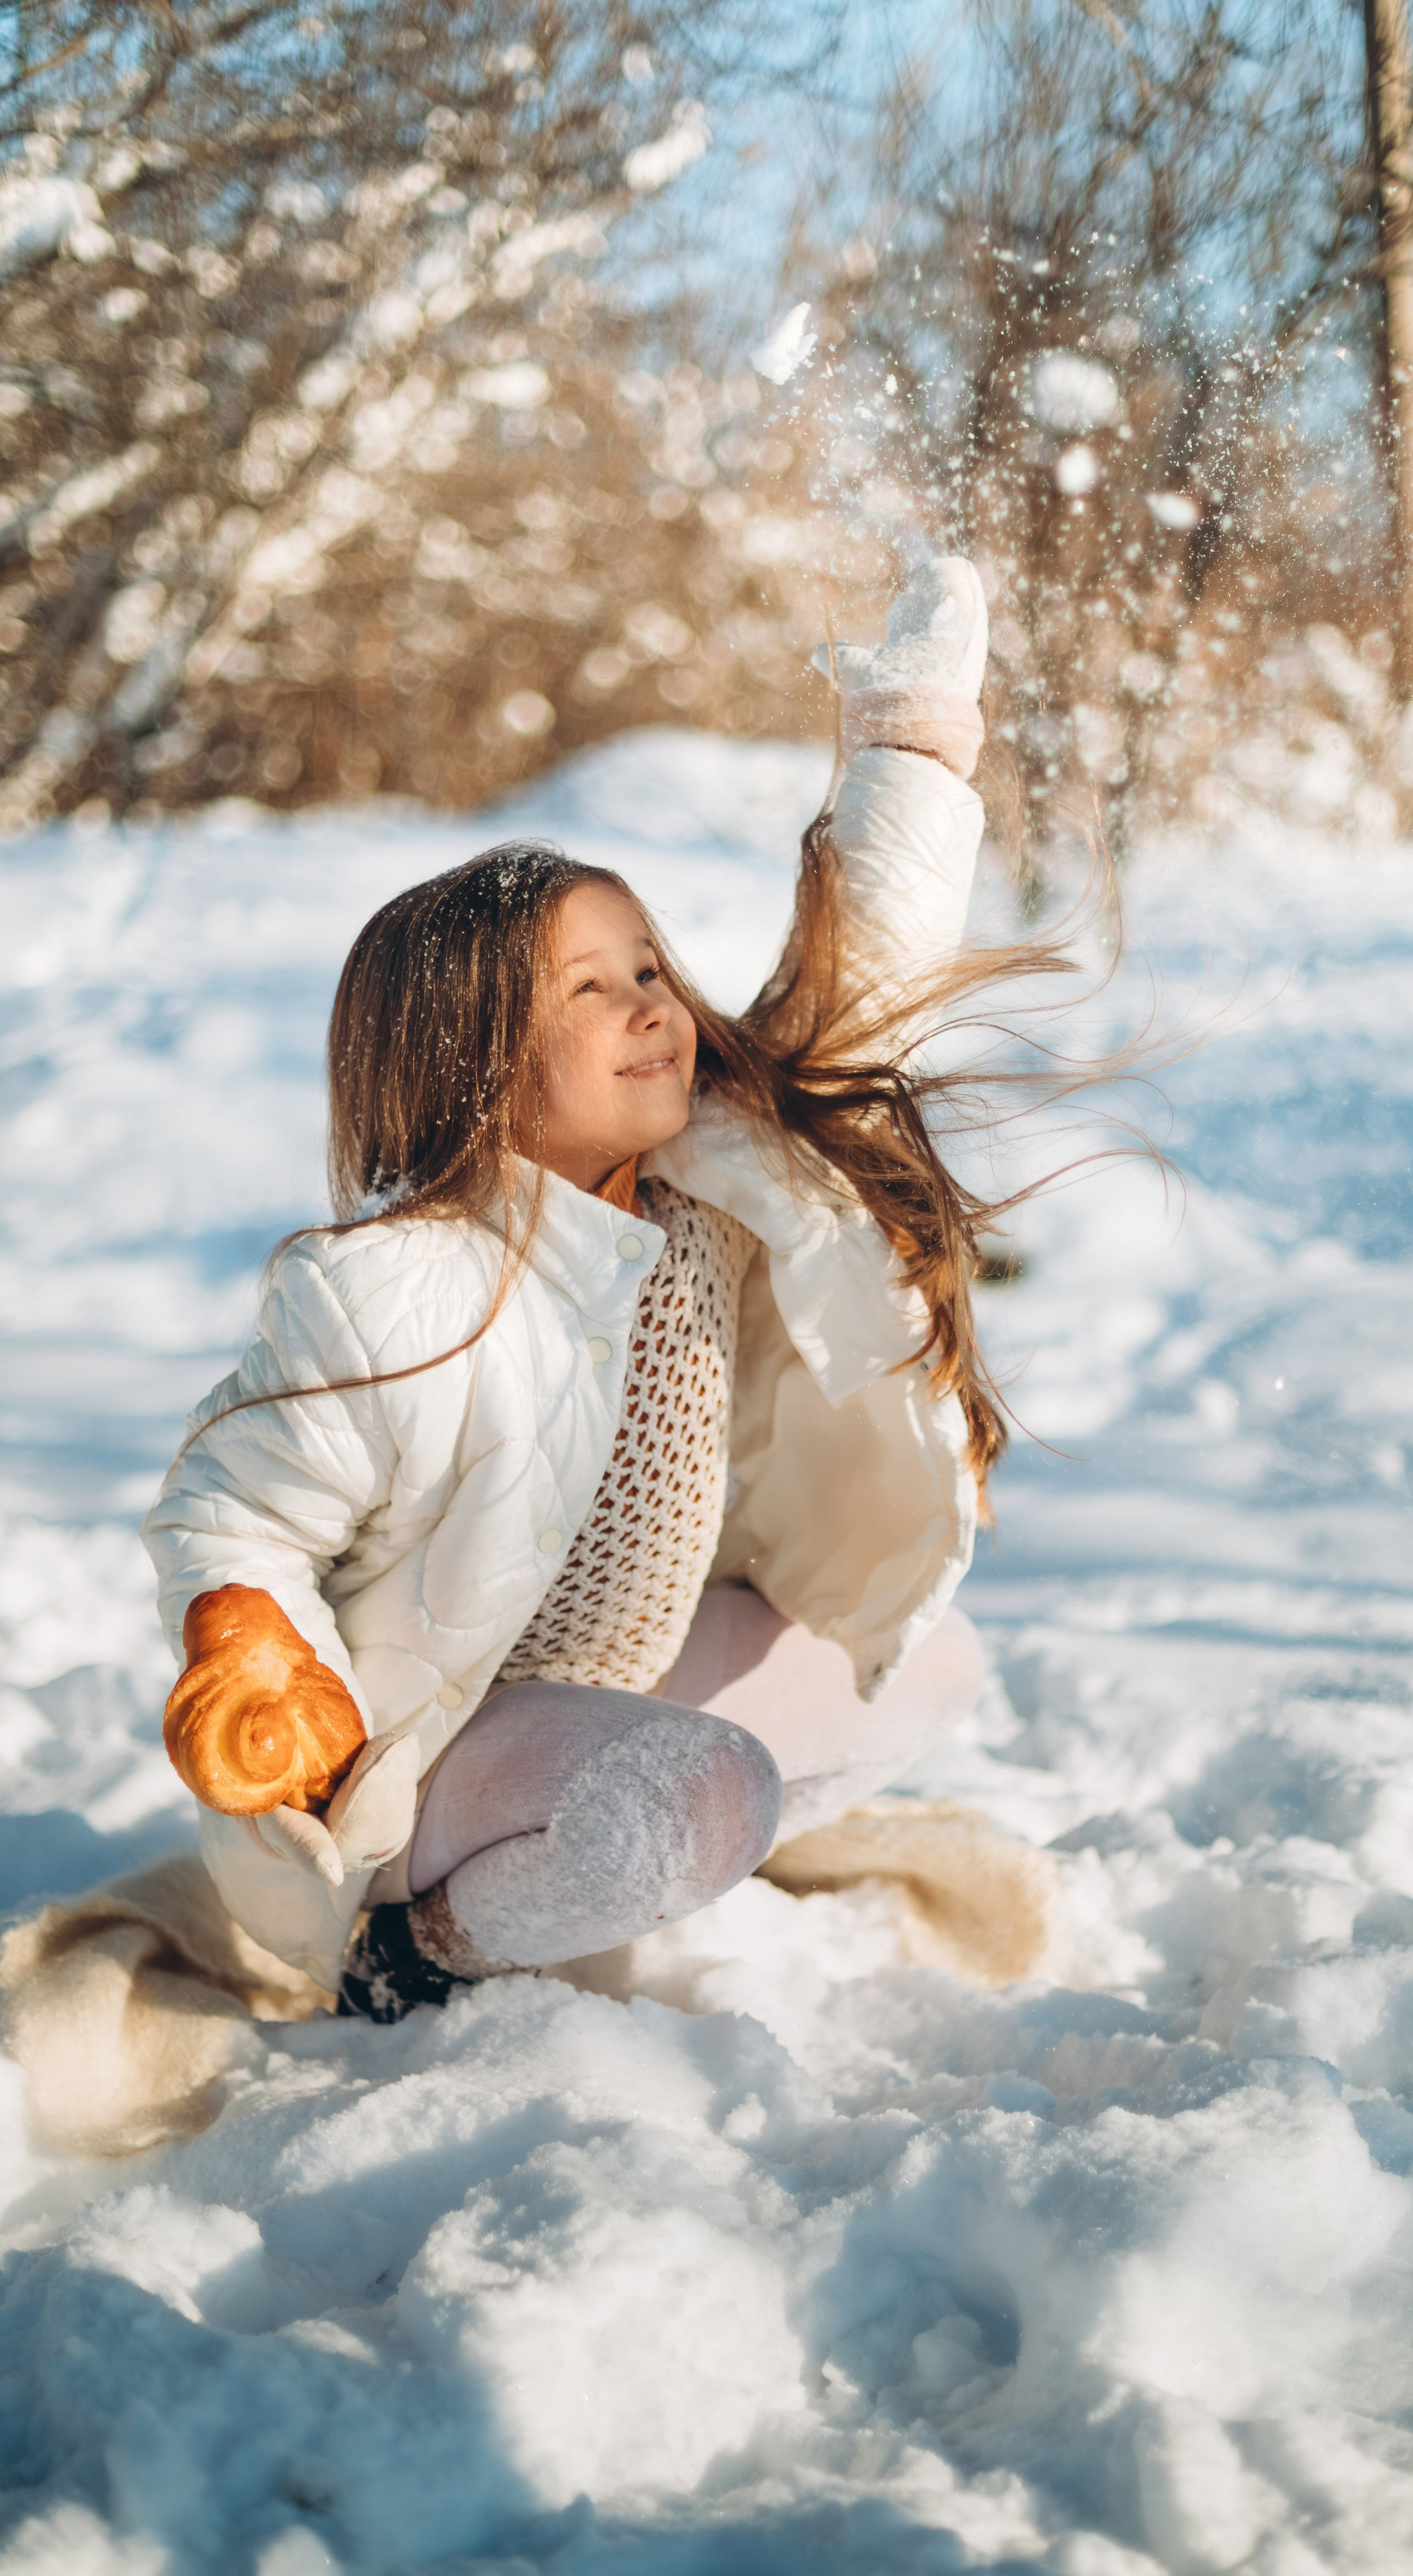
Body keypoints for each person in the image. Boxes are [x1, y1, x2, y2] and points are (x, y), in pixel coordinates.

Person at [144, 558, 1047, 2022]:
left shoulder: (713, 1183)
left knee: (925, 1663)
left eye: (648, 967)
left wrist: (912, 751)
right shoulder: (397, 1285)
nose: (654, 1005)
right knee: (702, 1789)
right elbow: (235, 1506)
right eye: (587, 990)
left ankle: (641, 1842)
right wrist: (254, 1657)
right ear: (472, 1061)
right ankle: (423, 1950)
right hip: (440, 1747)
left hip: (619, 1674)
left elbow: (864, 981)